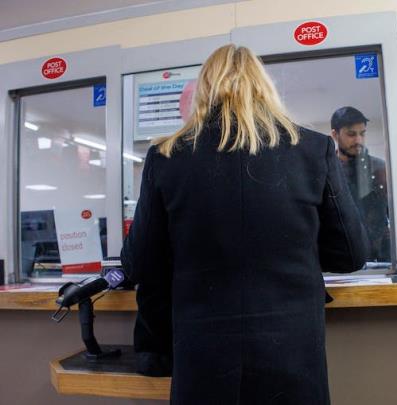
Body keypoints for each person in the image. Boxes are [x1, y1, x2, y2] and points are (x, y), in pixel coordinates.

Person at [121, 44, 369, 405]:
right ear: (265, 87)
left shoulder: (166, 157)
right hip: (291, 352)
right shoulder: (314, 149)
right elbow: (350, 254)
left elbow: (139, 264)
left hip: (203, 355)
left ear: (204, 90)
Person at [330, 106, 390, 261]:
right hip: (340, 256)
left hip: (380, 258)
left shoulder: (380, 168)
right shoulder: (327, 171)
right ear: (335, 135)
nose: (358, 140)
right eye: (351, 134)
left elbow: (394, 214)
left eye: (362, 134)